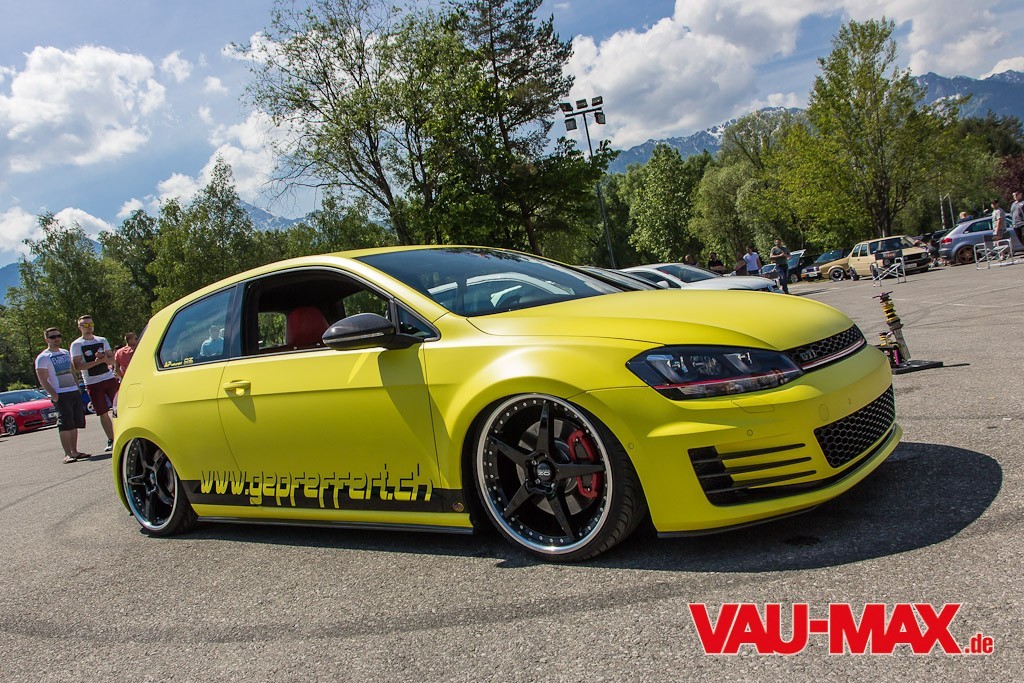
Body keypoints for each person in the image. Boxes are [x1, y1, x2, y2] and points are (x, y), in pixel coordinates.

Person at [35, 327, 89, 463]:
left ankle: (75, 451)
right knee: (65, 424)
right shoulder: (43, 357)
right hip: (60, 394)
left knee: (74, 423)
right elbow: (43, 380)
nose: (56, 339)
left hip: (73, 391)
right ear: (47, 340)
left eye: (58, 336)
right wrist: (54, 395)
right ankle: (67, 454)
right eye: (52, 337)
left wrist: (77, 387)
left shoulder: (65, 352)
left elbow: (72, 371)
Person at [70, 314, 117, 453]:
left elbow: (112, 360)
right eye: (85, 325)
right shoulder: (77, 344)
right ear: (79, 327)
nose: (89, 327)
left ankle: (122, 435)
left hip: (109, 378)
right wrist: (96, 362)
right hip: (92, 382)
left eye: (90, 324)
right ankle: (111, 439)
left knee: (119, 407)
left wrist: (104, 359)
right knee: (102, 412)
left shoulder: (102, 340)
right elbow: (77, 366)